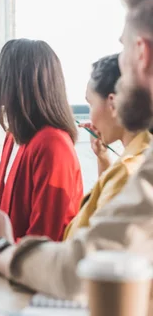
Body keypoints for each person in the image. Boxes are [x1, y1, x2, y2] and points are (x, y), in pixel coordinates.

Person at [0, 0, 153, 311]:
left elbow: (75, 265)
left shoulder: (54, 146)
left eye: (123, 47)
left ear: (142, 53)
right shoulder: (16, 138)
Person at [0, 39, 83, 242]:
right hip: (8, 262)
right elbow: (3, 210)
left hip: (33, 268)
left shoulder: (53, 146)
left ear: (18, 81)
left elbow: (44, 239)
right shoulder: (14, 136)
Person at [64, 54, 151, 239]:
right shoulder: (139, 155)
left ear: (112, 104)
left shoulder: (129, 170)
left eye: (91, 104)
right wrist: (103, 159)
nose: (91, 117)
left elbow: (93, 242)